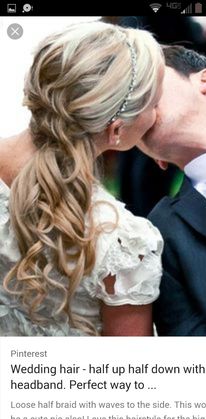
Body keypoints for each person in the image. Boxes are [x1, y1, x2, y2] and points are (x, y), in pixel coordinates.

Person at [0, 22, 164, 336]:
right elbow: (127, 372)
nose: (158, 115)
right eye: (154, 105)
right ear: (116, 131)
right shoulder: (124, 243)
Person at [139, 45, 206, 336]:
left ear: (205, 79)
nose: (136, 101)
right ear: (158, 159)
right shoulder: (159, 229)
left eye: (148, 80)